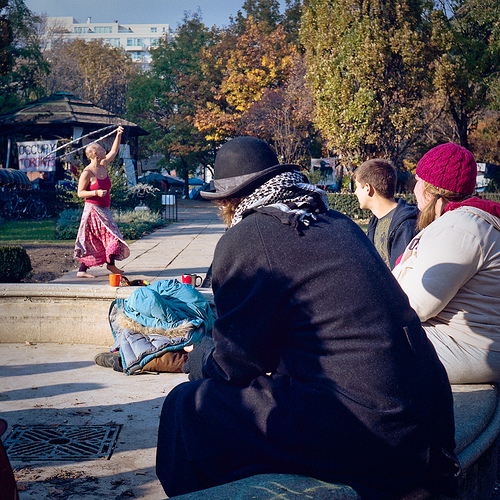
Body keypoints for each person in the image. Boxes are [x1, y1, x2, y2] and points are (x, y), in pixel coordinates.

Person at [155, 136, 459, 499]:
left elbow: (236, 362)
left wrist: (197, 357)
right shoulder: (335, 221)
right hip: (425, 417)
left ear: (226, 201)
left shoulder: (248, 237)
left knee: (188, 406)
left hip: (374, 429)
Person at [393, 142, 500, 384]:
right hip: (468, 340)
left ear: (429, 190)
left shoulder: (460, 227)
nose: (414, 188)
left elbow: (416, 306)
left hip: (471, 346)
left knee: (368, 348)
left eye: (418, 180)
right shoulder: (462, 222)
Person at [74, 126, 130, 278]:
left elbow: (114, 151)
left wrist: (118, 135)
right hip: (93, 210)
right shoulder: (87, 172)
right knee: (111, 235)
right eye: (100, 149)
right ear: (93, 153)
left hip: (104, 208)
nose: (104, 150)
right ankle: (110, 265)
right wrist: (95, 192)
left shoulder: (103, 164)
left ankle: (82, 271)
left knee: (100, 238)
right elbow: (80, 193)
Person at [353, 159, 418, 268]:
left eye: (357, 187)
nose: (355, 192)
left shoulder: (406, 225)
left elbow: (403, 275)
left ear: (368, 188)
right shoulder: (375, 220)